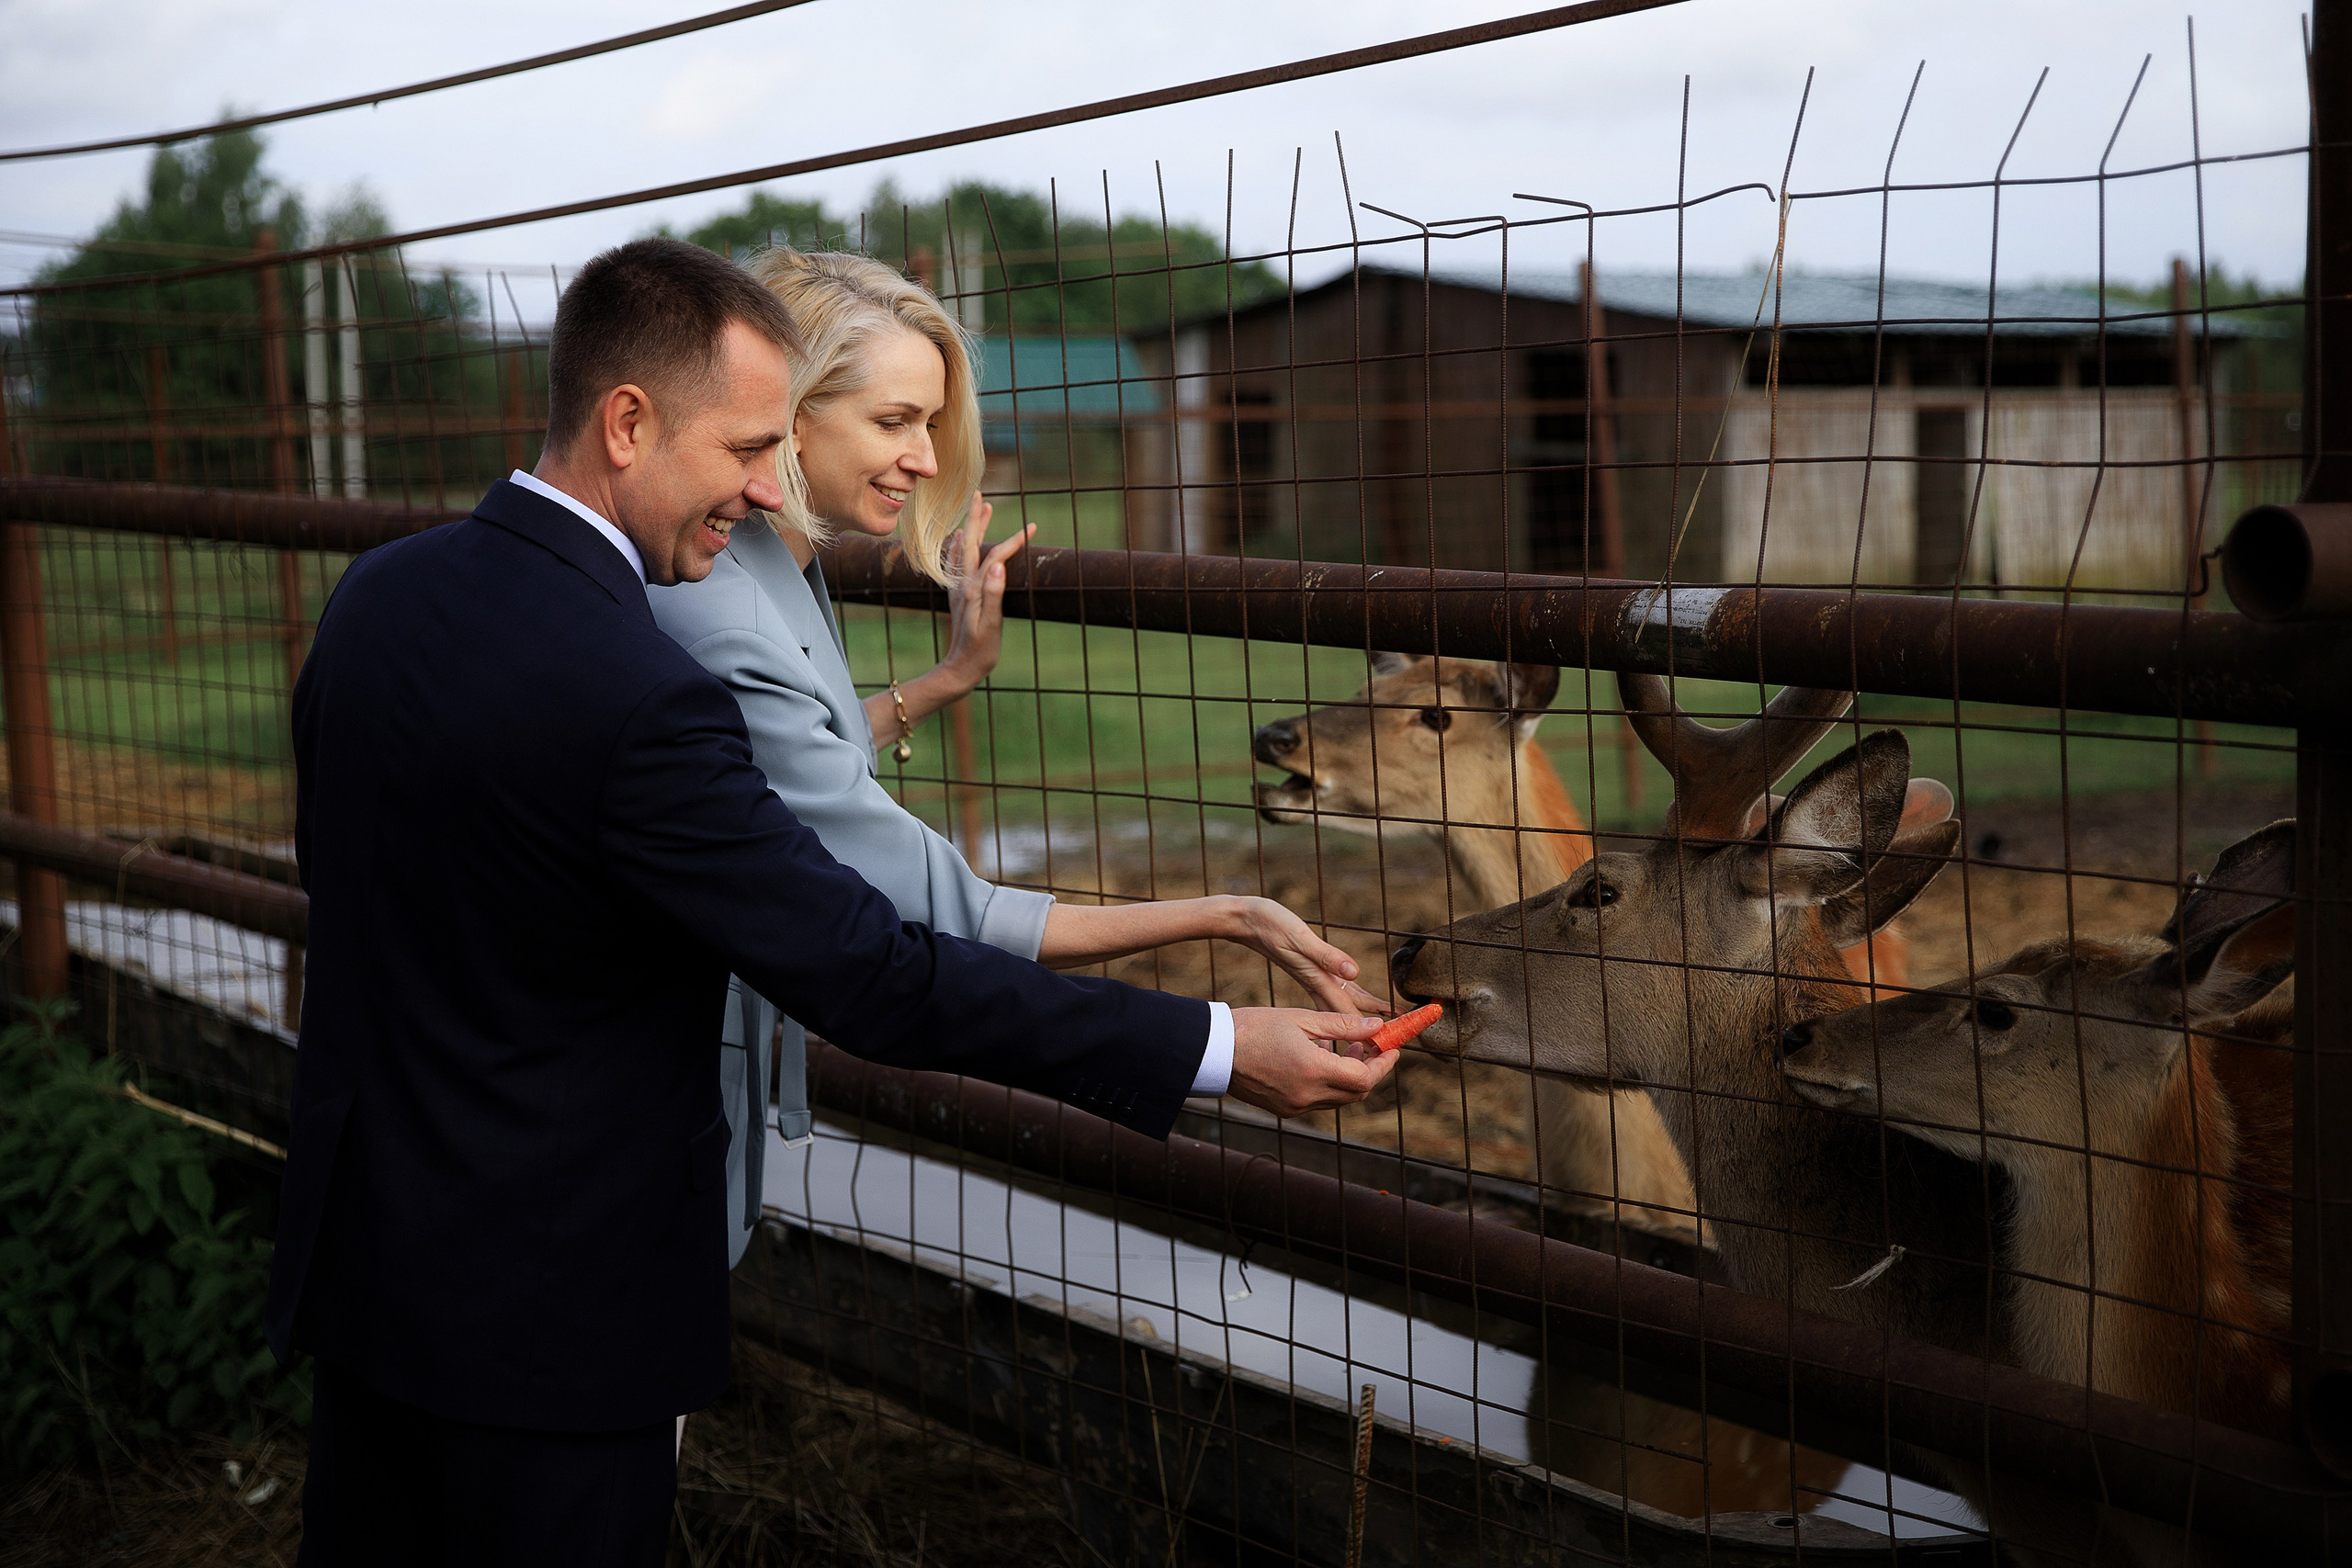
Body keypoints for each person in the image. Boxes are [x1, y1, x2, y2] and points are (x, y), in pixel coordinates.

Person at [267, 237, 1398, 1568]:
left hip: (373, 1269)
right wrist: (1208, 1046)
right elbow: (875, 970)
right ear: (627, 422)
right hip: (557, 1316)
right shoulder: (641, 692)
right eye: (746, 445)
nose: (762, 488)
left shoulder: (382, 597)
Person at [647, 249, 1388, 1268]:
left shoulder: (772, 559)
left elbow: (764, 764)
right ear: (792, 413)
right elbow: (943, 906)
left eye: (932, 426)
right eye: (894, 420)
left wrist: (948, 676)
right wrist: (1229, 916)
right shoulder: (723, 592)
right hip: (665, 1073)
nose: (922, 457)